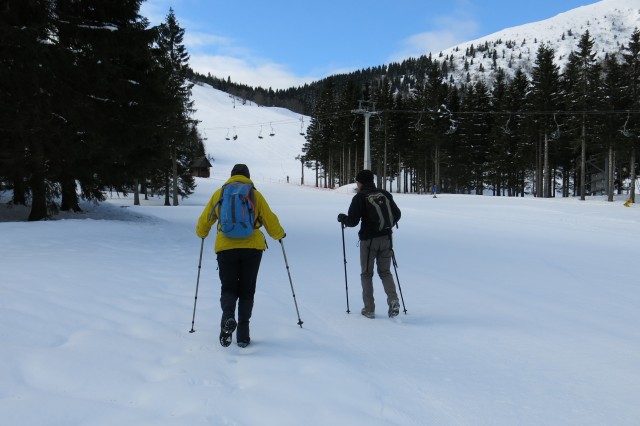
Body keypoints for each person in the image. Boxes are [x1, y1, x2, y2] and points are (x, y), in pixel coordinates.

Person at [196, 164, 285, 348]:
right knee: (247, 289)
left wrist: (202, 232)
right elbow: (269, 218)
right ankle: (243, 335)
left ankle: (228, 317)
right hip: (252, 248)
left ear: (231, 176)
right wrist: (279, 235)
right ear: (248, 176)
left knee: (228, 287)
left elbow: (206, 218)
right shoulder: (254, 194)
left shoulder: (220, 194)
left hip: (225, 247)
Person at [337, 170, 402, 319]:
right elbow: (397, 214)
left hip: (369, 241)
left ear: (360, 182)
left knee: (367, 274)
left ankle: (369, 309)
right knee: (385, 272)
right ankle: (393, 300)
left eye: (357, 182)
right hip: (386, 239)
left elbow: (352, 222)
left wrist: (343, 219)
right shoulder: (384, 194)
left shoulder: (359, 197)